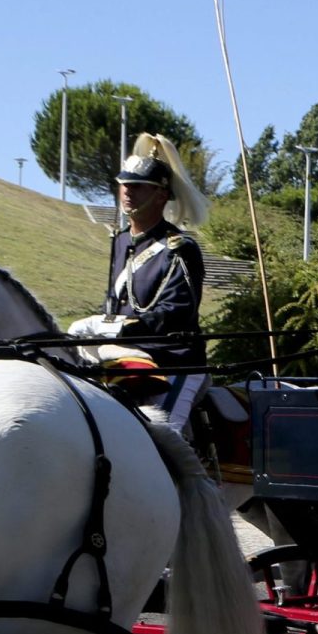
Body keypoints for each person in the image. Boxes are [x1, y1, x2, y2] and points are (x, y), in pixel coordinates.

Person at [68, 135, 209, 432]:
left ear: (161, 195)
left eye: (137, 186)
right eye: (124, 184)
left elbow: (176, 312)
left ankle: (195, 480)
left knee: (162, 439)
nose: (127, 191)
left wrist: (117, 326)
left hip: (173, 360)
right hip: (124, 355)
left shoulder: (179, 248)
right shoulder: (119, 241)